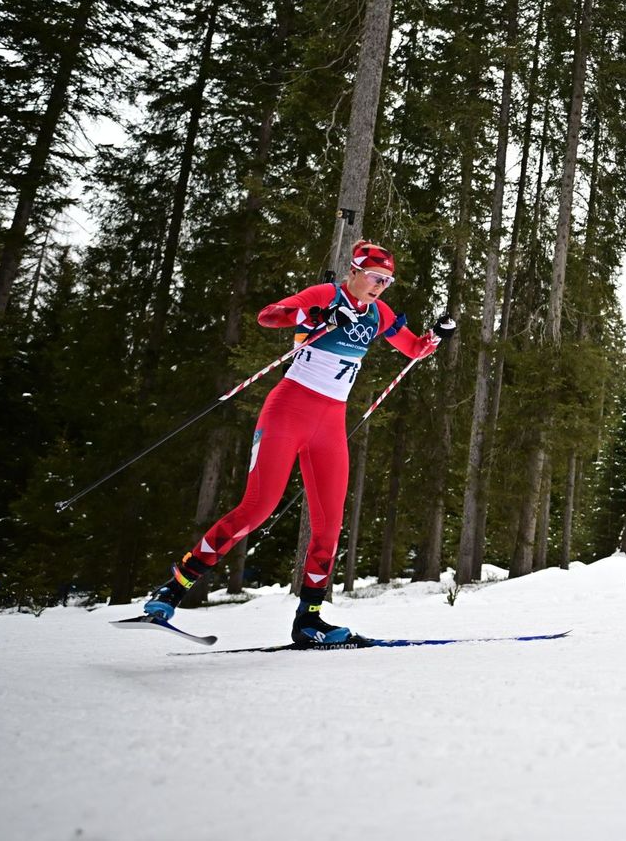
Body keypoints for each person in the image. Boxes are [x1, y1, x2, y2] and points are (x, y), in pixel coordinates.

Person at [139, 240, 454, 645]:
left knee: (329, 527)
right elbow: (269, 317)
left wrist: (436, 336)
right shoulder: (327, 294)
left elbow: (413, 348)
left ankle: (310, 619)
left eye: (387, 281)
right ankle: (171, 591)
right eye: (375, 278)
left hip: (330, 426)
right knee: (256, 508)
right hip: (288, 411)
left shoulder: (378, 314)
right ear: (354, 272)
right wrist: (319, 314)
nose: (380, 287)